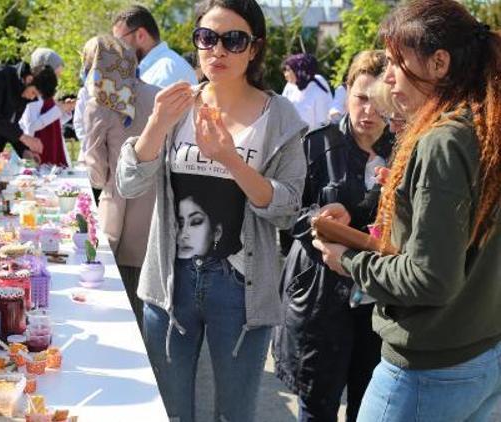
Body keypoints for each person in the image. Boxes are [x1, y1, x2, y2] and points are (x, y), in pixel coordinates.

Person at [116, 0, 308, 419]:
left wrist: (232, 160)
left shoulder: (279, 117)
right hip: (170, 280)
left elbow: (288, 210)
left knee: (234, 414)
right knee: (171, 410)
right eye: (206, 38)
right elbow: (129, 182)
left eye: (233, 40)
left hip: (240, 287)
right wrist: (154, 126)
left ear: (254, 49)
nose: (217, 51)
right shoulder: (176, 104)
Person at [313, 1, 501, 420]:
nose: (389, 76)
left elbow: (431, 279)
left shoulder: (444, 142)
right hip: (482, 355)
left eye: (398, 61)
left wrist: (349, 260)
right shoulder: (483, 128)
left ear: (439, 63)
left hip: (428, 371)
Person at [273, 50, 393, 422]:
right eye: (361, 98)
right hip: (321, 301)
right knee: (318, 406)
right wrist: (318, 220)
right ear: (345, 93)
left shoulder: (406, 151)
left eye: (379, 102)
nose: (369, 112)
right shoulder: (315, 144)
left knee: (370, 407)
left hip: (380, 305)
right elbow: (287, 212)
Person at [81, 35, 159, 329]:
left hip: (122, 215)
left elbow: (97, 174)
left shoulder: (100, 103)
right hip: (160, 212)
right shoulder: (158, 94)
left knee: (124, 316)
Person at [0, 60, 47, 168]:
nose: (32, 98)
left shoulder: (22, 93)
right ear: (29, 79)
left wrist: (24, 151)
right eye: (33, 92)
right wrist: (24, 138)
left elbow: (10, 124)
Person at [112, 5, 197, 88]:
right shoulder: (160, 67)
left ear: (140, 35)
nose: (118, 48)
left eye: (119, 41)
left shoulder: (164, 72)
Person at [19, 65, 72, 166]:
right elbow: (31, 127)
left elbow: (53, 123)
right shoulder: (32, 100)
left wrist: (66, 111)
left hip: (54, 145)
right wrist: (58, 110)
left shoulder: (47, 98)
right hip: (40, 150)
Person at [282, 53, 332, 132]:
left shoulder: (318, 92)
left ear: (300, 70)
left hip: (312, 139)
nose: (285, 74)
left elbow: (323, 123)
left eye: (288, 70)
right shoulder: (290, 86)